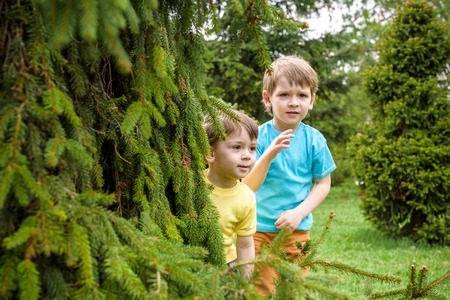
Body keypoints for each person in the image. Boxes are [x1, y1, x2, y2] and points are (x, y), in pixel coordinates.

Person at [243, 55, 336, 295]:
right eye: (284, 95)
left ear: (312, 100)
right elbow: (247, 185)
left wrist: (299, 213)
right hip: (257, 230)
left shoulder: (314, 139)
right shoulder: (258, 137)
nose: (293, 102)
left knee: (294, 289)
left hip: (295, 231)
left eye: (302, 95)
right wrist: (268, 155)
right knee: (260, 288)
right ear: (268, 99)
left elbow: (323, 184)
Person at [203, 110, 259, 278]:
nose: (247, 156)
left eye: (252, 148)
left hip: (226, 267)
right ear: (210, 153)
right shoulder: (192, 184)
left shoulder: (247, 198)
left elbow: (246, 245)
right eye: (237, 147)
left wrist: (245, 282)